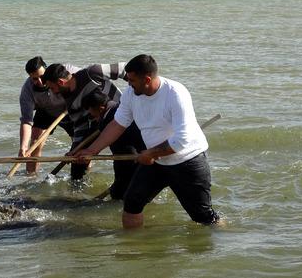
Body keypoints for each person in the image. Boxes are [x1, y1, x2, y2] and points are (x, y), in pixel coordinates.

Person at [75, 54, 219, 228]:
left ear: (148, 79)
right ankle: (133, 249)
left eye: (132, 80)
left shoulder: (175, 93)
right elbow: (118, 124)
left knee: (203, 217)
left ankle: (222, 237)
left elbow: (182, 140)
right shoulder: (130, 94)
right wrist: (92, 150)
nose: (128, 84)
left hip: (187, 162)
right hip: (157, 162)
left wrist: (151, 153)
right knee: (131, 203)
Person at [42, 62, 126, 179]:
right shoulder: (70, 101)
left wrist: (136, 96)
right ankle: (77, 193)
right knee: (77, 163)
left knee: (124, 161)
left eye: (52, 88)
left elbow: (125, 69)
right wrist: (75, 150)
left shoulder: (92, 73)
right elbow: (80, 127)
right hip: (99, 125)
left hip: (122, 116)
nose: (53, 92)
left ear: (61, 82)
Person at [81, 90, 145, 199]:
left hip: (133, 158)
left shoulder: (110, 120)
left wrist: (119, 183)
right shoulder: (119, 108)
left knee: (120, 195)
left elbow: (122, 154)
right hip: (145, 154)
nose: (91, 116)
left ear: (101, 108)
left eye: (91, 113)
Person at [18, 56, 78, 174]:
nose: (40, 82)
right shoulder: (27, 90)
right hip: (46, 110)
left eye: (42, 76)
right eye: (35, 79)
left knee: (79, 146)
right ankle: (31, 177)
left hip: (70, 109)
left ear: (46, 70)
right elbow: (27, 121)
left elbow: (85, 83)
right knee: (34, 143)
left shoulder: (65, 72)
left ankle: (82, 176)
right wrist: (23, 146)